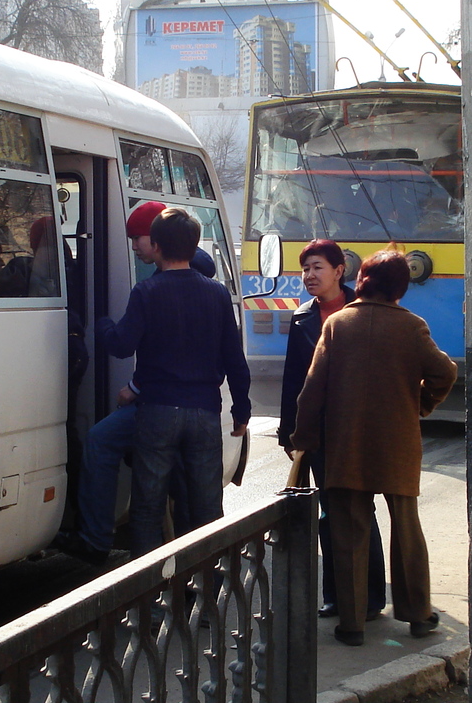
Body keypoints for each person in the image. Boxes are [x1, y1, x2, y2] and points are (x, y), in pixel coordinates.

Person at [289, 249, 457, 646]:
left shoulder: (339, 324)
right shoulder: (412, 326)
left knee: (349, 531)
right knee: (406, 528)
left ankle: (353, 623)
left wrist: (304, 439)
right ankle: (417, 615)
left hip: (346, 444)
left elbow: (311, 392)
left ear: (361, 279)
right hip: (397, 443)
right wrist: (421, 403)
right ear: (400, 285)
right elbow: (445, 372)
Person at [53, 203, 221, 565]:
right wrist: (240, 407)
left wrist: (101, 323)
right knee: (200, 503)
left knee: (131, 475)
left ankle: (107, 546)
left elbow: (160, 346)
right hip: (200, 406)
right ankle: (203, 582)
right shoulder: (205, 281)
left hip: (159, 405)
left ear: (158, 240)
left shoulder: (159, 284)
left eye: (137, 238)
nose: (133, 246)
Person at [95, 208, 250, 559]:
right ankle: (207, 596)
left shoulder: (147, 291)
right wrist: (242, 409)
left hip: (158, 412)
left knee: (148, 507)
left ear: (159, 247)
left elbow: (121, 344)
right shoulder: (216, 294)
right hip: (204, 413)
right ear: (194, 246)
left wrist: (102, 323)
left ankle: (150, 600)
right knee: (206, 507)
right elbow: (233, 358)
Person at [278, 239, 387, 620]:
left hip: (357, 428)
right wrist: (287, 430)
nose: (309, 275)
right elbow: (293, 379)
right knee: (327, 512)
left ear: (340, 271)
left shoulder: (363, 312)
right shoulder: (303, 317)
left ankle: (371, 597)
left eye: (317, 267)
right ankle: (335, 595)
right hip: (319, 431)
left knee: (360, 510)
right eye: (305, 268)